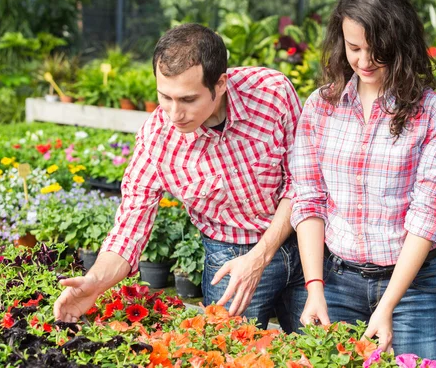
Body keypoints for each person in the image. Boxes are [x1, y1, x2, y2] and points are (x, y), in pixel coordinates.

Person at [54, 23, 306, 332]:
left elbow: (303, 181)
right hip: (230, 255)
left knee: (318, 349)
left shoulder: (272, 93)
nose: (174, 114)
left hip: (303, 240)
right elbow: (129, 228)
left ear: (221, 83)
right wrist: (95, 281)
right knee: (232, 355)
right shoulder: (156, 140)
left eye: (188, 100)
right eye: (165, 97)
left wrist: (261, 255)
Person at [290, 0, 436, 365]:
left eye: (377, 50)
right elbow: (309, 198)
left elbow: (427, 217)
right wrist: (314, 287)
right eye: (354, 48)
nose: (364, 61)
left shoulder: (433, 114)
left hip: (416, 287)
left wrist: (387, 306)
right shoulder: (321, 106)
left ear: (400, 45)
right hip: (335, 279)